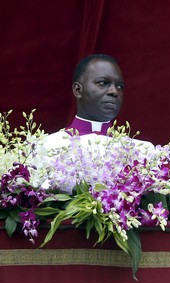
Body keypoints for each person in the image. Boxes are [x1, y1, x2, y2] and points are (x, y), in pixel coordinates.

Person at [32, 54, 156, 191]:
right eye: (103, 83)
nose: (114, 91)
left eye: (119, 86)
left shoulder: (141, 150)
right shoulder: (45, 146)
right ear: (78, 90)